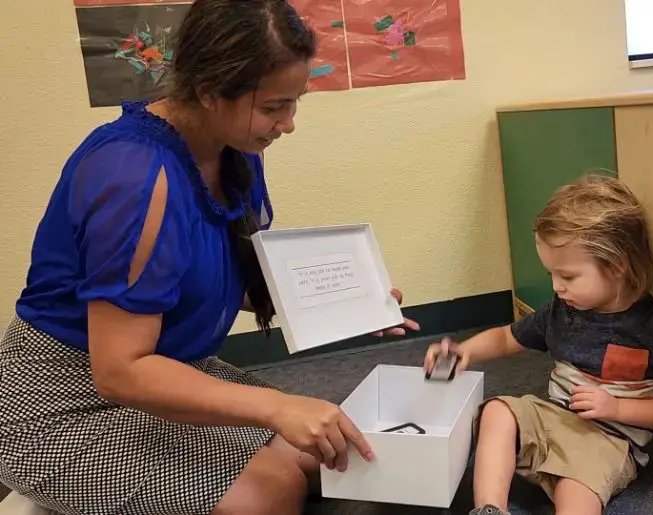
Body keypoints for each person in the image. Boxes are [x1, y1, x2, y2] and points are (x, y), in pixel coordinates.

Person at [0, 1, 419, 514]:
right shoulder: (133, 177)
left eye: (294, 103)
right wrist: (278, 405)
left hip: (164, 363)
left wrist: (349, 303)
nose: (288, 124)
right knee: (273, 488)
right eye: (272, 107)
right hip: (63, 396)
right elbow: (119, 371)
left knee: (324, 455)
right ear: (207, 91)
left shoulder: (232, 146)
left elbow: (214, 276)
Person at [423, 174, 653, 515]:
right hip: (552, 417)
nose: (557, 287)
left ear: (616, 267)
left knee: (578, 489)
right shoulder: (561, 311)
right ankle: (489, 509)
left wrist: (617, 409)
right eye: (551, 275)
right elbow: (505, 337)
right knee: (497, 411)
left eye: (568, 276)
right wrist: (466, 351)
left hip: (608, 441)